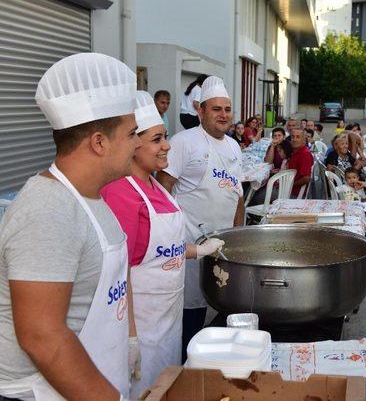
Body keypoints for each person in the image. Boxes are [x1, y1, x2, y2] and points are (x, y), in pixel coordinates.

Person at [0, 53, 139, 400]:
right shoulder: (48, 210)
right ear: (98, 142)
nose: (137, 143)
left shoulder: (92, 198)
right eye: (132, 133)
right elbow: (41, 336)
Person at [100, 91, 224, 398]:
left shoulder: (155, 185)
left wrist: (197, 251)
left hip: (167, 320)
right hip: (140, 324)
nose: (167, 145)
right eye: (157, 140)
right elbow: (119, 271)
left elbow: (157, 250)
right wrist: (130, 338)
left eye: (164, 137)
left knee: (165, 386)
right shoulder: (121, 194)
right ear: (132, 144)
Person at [156, 76, 244, 361]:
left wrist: (238, 237)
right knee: (190, 315)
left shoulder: (233, 147)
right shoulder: (184, 142)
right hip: (190, 244)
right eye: (216, 109)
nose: (223, 115)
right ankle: (184, 371)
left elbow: (238, 196)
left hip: (223, 245)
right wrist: (168, 237)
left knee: (222, 309)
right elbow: (162, 187)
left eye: (227, 109)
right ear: (200, 111)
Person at [288, 128, 315, 197]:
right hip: (288, 188)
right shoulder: (295, 151)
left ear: (304, 140)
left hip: (293, 193)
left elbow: (306, 178)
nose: (294, 139)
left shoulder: (304, 154)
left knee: (259, 196)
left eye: (298, 137)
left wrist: (289, 185)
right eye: (292, 137)